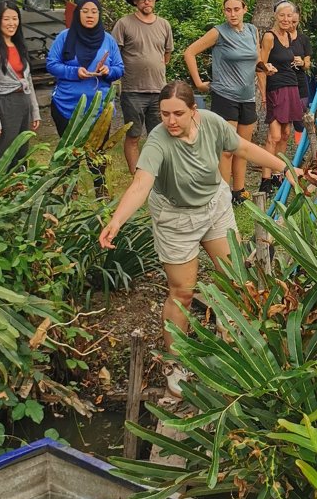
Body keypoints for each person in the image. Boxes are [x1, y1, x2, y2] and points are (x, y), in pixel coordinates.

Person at [99, 81, 291, 397]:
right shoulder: (158, 142)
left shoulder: (212, 124)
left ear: (194, 111)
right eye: (164, 114)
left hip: (213, 206)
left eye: (178, 113)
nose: (170, 121)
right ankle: (174, 363)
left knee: (236, 278)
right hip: (175, 217)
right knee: (183, 293)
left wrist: (287, 168)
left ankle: (231, 338)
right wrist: (117, 220)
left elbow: (243, 148)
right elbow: (140, 185)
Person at [183, 0, 260, 205]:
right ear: (224, 11)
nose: (233, 14)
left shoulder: (253, 31)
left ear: (245, 9)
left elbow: (258, 61)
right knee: (227, 149)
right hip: (225, 95)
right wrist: (199, 83)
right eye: (228, 9)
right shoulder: (218, 32)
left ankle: (240, 192)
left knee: (243, 147)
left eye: (237, 9)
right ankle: (223, 194)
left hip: (248, 96)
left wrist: (266, 71)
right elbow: (189, 52)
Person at [113, 0, 174, 174]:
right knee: (133, 135)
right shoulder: (124, 24)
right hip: (132, 90)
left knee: (158, 135)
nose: (146, 1)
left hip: (158, 90)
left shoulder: (164, 24)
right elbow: (115, 53)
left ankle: (156, 174)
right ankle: (136, 177)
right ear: (135, 1)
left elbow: (167, 54)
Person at [46, 0, 124, 136]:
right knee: (69, 154)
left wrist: (109, 71)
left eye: (94, 12)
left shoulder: (108, 40)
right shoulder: (64, 37)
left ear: (99, 15)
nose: (90, 15)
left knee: (96, 155)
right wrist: (74, 72)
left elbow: (119, 68)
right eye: (85, 11)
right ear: (78, 13)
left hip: (99, 109)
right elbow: (52, 64)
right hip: (66, 106)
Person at [0, 1, 40, 173]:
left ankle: (18, 192)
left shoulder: (19, 46)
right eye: (7, 19)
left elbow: (28, 80)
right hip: (5, 104)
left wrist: (34, 110)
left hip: (23, 102)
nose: (11, 23)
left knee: (21, 151)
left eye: (15, 18)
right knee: (3, 152)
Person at [257, 0, 306, 194]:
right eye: (282, 15)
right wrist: (263, 93)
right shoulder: (269, 37)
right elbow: (260, 65)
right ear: (275, 16)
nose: (286, 19)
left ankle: (279, 173)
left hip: (292, 86)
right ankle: (265, 179)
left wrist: (301, 62)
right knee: (274, 135)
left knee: (286, 134)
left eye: (289, 16)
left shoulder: (289, 37)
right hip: (275, 88)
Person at [288, 4, 314, 147]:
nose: (291, 25)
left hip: (300, 81)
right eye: (290, 21)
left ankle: (301, 150)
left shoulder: (303, 39)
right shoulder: (277, 38)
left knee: (300, 117)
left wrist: (302, 62)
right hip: (283, 81)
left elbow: (308, 64)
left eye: (295, 22)